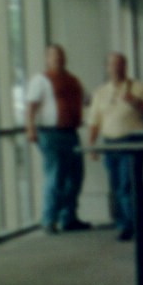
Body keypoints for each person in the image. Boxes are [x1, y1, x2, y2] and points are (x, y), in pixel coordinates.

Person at [86, 51, 143, 241]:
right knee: (117, 186)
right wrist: (91, 144)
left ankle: (133, 225)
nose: (116, 68)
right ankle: (124, 223)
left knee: (129, 185)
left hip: (132, 142)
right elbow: (94, 121)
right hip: (110, 144)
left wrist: (135, 102)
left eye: (119, 64)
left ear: (125, 66)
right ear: (107, 68)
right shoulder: (101, 92)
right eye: (112, 64)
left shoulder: (140, 88)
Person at [23, 43, 89, 233]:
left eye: (60, 55)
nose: (58, 58)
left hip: (71, 133)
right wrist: (30, 129)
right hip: (50, 134)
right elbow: (31, 106)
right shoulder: (40, 80)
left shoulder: (73, 80)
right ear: (47, 59)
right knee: (56, 176)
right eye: (53, 55)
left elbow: (88, 100)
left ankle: (68, 218)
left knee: (75, 176)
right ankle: (49, 219)